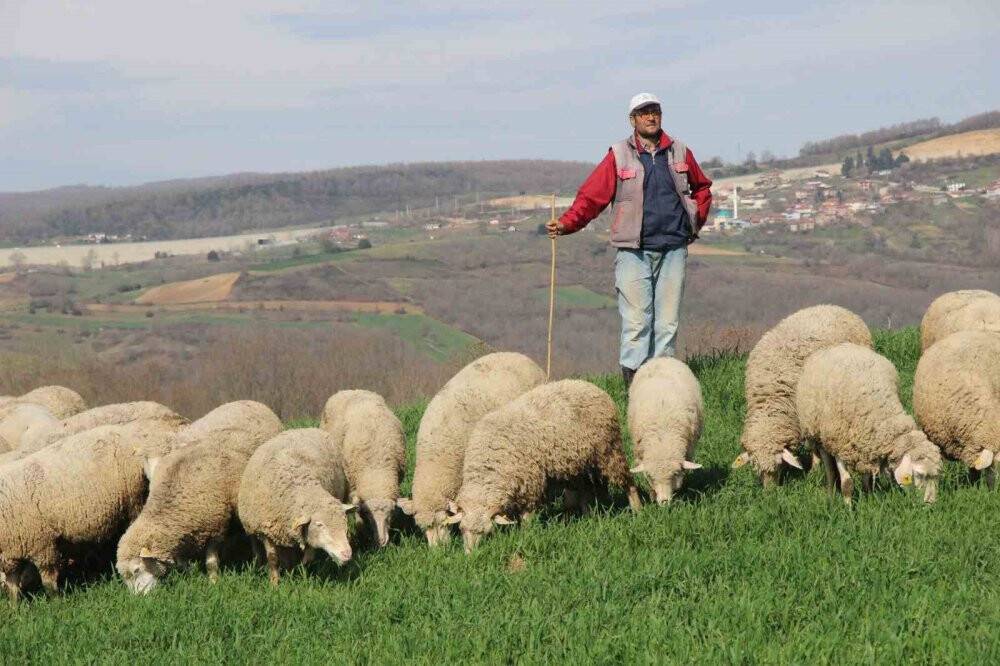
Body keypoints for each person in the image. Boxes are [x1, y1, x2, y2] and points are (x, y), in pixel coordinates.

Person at [547, 92, 713, 388]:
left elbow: (702, 188)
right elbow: (591, 197)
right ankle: (634, 389)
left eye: (656, 111)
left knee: (667, 323)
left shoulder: (680, 152)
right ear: (632, 119)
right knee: (637, 322)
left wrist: (693, 219)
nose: (651, 117)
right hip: (633, 251)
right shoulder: (619, 154)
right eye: (644, 112)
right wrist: (566, 224)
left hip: (674, 247)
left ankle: (662, 387)